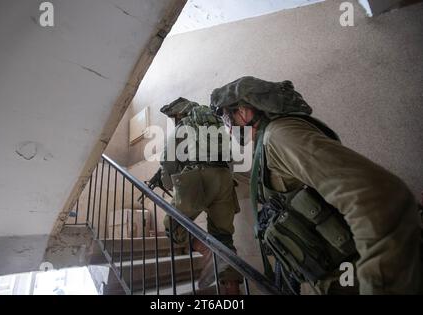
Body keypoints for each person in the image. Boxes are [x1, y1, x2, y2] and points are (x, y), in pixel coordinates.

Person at [210, 76, 422, 295]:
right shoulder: (269, 141)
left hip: (354, 275)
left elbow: (377, 198)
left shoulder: (280, 136)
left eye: (228, 119)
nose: (228, 129)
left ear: (244, 112)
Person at [159, 97, 242, 294]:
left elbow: (168, 161)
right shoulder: (216, 125)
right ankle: (232, 292)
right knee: (223, 236)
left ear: (180, 113)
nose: (174, 120)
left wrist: (169, 184)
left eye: (174, 117)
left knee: (173, 225)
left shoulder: (183, 126)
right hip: (224, 178)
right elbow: (230, 156)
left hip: (197, 177)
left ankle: (208, 252)